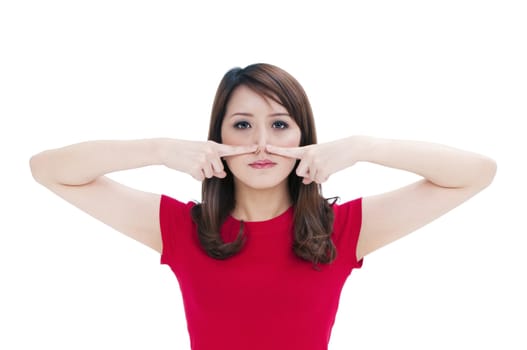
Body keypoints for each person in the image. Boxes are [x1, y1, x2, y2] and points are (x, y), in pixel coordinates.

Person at [29, 63, 497, 350]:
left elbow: (475, 174)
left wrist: (362, 146)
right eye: (241, 125)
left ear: (302, 137)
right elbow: (49, 169)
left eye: (278, 125)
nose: (260, 145)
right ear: (219, 137)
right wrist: (159, 148)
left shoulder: (341, 230)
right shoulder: (180, 228)